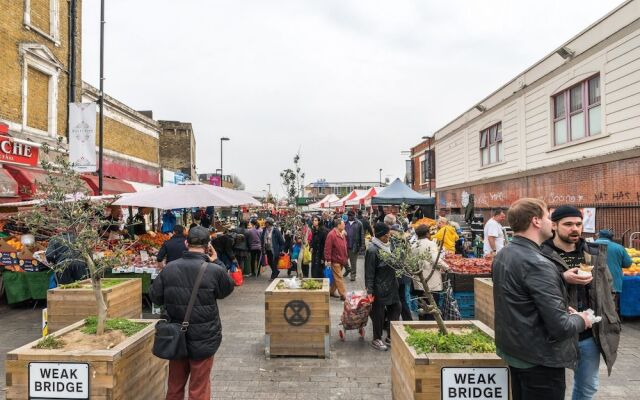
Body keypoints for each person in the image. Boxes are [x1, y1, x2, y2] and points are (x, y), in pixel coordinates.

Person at [493, 198, 592, 400]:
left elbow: (521, 299)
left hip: (517, 352)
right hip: (540, 360)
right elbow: (561, 327)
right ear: (536, 221)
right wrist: (582, 319)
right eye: (548, 216)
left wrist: (560, 291)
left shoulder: (504, 253)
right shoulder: (538, 263)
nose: (550, 222)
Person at [541, 205, 620, 400]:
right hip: (554, 333)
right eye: (568, 224)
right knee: (551, 388)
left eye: (578, 224)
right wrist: (561, 278)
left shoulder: (593, 252)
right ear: (554, 225)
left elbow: (607, 284)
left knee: (588, 387)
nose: (574, 228)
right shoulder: (541, 254)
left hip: (588, 333)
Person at [149, 226, 235, 400]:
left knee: (174, 387)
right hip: (205, 336)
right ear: (208, 245)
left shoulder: (170, 268)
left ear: (186, 243)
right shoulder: (214, 270)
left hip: (175, 334)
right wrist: (216, 261)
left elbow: (155, 298)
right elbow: (226, 290)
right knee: (199, 388)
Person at [365, 222, 401, 351]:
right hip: (379, 287)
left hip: (392, 285)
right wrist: (369, 290)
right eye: (386, 236)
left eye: (388, 235)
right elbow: (369, 272)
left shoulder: (390, 245)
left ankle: (391, 336)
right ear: (379, 235)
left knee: (396, 308)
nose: (388, 238)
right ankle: (376, 338)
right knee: (378, 314)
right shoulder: (372, 250)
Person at [412, 224, 448, 320]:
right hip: (430, 281)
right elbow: (435, 259)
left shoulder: (413, 245)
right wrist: (447, 267)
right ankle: (431, 326)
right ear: (427, 233)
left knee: (422, 306)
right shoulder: (430, 244)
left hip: (419, 281)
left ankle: (422, 326)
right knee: (431, 307)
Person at [595, 229, 632, 315]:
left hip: (593, 280)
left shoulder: (588, 245)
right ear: (611, 238)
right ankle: (613, 320)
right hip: (613, 282)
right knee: (612, 304)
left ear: (599, 236)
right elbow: (627, 263)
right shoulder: (619, 247)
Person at [324, 217, 348, 300]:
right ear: (338, 225)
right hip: (335, 260)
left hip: (341, 259)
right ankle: (343, 294)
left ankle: (331, 291)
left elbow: (344, 246)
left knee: (336, 277)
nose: (344, 225)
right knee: (339, 277)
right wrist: (328, 260)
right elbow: (327, 248)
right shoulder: (331, 234)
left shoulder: (342, 233)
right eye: (343, 224)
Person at [343, 210, 364, 282]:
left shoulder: (359, 223)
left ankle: (353, 275)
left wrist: (362, 245)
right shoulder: (344, 223)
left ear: (354, 215)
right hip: (345, 245)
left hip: (354, 245)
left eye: (351, 216)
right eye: (348, 215)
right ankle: (348, 269)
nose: (349, 217)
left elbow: (362, 235)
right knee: (343, 260)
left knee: (353, 262)